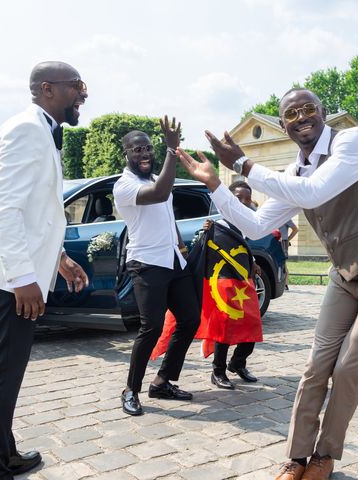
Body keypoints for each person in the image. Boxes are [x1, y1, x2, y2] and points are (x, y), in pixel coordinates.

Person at [177, 88, 358, 480]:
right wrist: (215, 186)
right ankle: (296, 458)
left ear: (322, 113)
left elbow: (316, 191)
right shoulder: (294, 172)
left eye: (308, 109)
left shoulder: (352, 143)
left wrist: (242, 163)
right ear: (284, 123)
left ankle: (324, 457)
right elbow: (257, 225)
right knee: (314, 368)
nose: (301, 117)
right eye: (291, 113)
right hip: (345, 278)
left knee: (346, 369)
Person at [0, 61, 89, 480]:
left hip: (6, 270)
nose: (84, 94)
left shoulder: (40, 131)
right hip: (0, 274)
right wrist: (22, 278)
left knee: (8, 371)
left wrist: (59, 260)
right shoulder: (27, 129)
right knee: (4, 373)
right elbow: (5, 209)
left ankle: (6, 453)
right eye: (77, 86)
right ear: (47, 89)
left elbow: (37, 214)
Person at [113, 120, 200, 417]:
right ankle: (131, 389)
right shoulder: (124, 185)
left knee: (190, 319)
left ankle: (163, 381)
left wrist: (181, 246)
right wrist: (172, 151)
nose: (144, 153)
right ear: (125, 154)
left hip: (173, 259)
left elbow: (166, 211)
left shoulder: (157, 176)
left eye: (148, 147)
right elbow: (160, 194)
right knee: (151, 327)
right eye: (137, 149)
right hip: (146, 263)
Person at [204, 180, 261, 390]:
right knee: (225, 328)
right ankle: (217, 371)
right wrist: (206, 233)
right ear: (228, 200)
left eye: (247, 199)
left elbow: (240, 250)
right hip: (223, 283)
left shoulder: (246, 225)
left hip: (243, 283)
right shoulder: (218, 225)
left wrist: (253, 262)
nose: (243, 203)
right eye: (238, 199)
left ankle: (237, 363)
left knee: (252, 324)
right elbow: (208, 254)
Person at [279, 219, 298, 290]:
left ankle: (285, 284)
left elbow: (295, 229)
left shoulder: (286, 217)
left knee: (283, 263)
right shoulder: (275, 216)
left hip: (283, 242)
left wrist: (288, 239)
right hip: (274, 241)